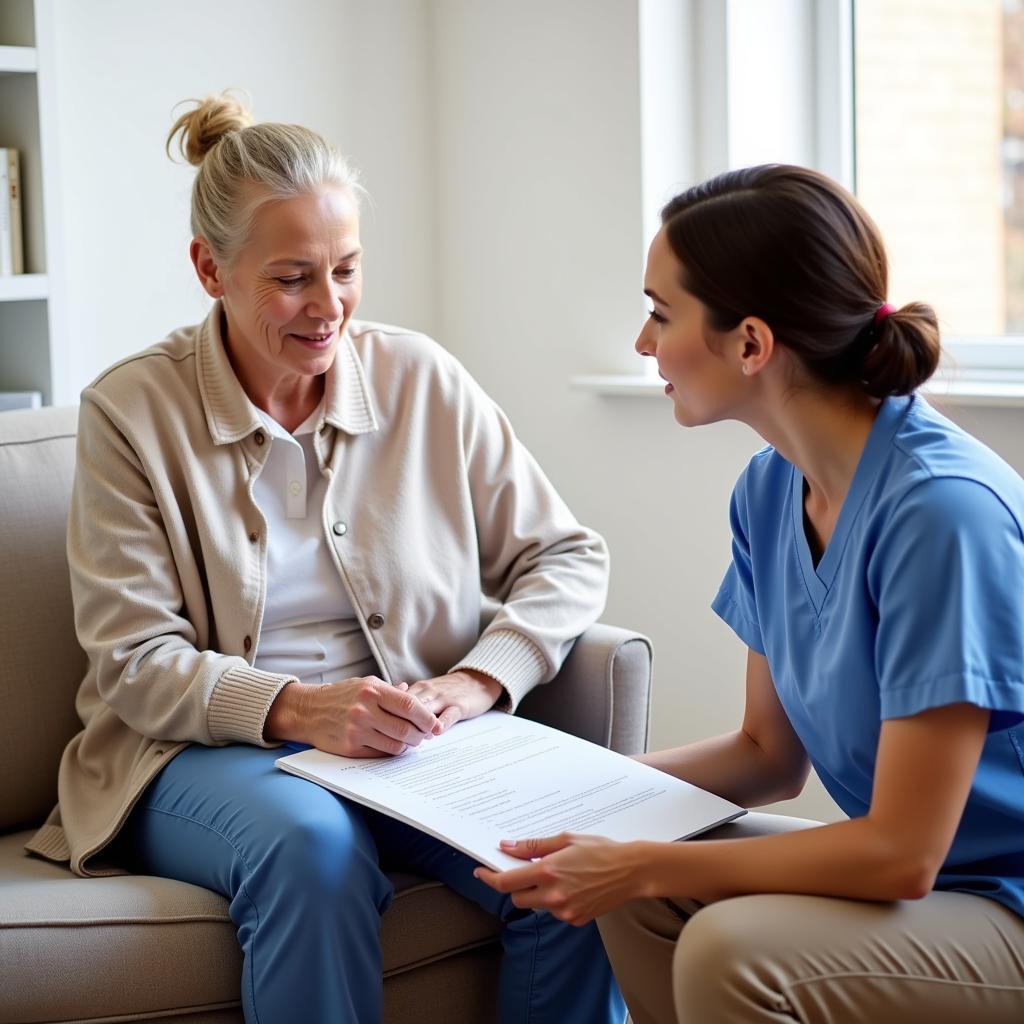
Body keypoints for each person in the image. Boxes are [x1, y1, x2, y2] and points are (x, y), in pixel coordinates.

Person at [25, 92, 625, 1024]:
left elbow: (567, 556)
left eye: (346, 269)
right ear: (208, 270)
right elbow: (135, 664)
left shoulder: (421, 378)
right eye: (293, 277)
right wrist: (300, 709)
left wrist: (474, 682)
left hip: (416, 747)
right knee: (313, 848)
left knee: (568, 860)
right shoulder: (130, 414)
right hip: (200, 753)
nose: (329, 306)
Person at [476, 164, 1024, 1023]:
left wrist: (646, 860)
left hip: (1002, 895)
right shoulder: (769, 492)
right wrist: (564, 793)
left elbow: (903, 856)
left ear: (752, 343)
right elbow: (767, 754)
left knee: (726, 949)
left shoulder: (943, 516)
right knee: (628, 875)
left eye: (661, 313)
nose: (642, 342)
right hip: (934, 877)